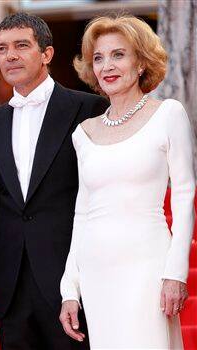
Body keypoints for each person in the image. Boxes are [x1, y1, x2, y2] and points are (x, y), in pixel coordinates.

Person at [0, 13, 109, 349]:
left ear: (47, 54)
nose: (10, 55)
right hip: (12, 287)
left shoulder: (89, 109)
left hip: (73, 281)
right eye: (2, 49)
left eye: (22, 45)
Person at [59, 15, 195, 348]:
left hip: (147, 264)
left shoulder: (168, 114)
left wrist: (175, 273)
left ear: (140, 64)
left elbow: (183, 194)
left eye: (118, 54)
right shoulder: (84, 133)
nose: (107, 65)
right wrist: (69, 289)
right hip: (96, 270)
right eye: (99, 57)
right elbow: (82, 214)